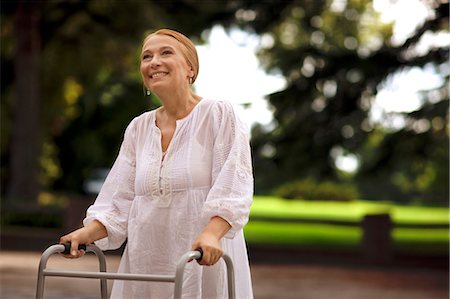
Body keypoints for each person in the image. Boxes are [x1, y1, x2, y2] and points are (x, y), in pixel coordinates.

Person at [59, 28, 254, 298]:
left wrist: (211, 234)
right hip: (147, 261)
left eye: (166, 53)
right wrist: (85, 233)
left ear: (190, 68)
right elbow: (120, 200)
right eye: (146, 57)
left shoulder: (218, 114)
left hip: (201, 258)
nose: (154, 62)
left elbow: (233, 187)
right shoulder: (138, 128)